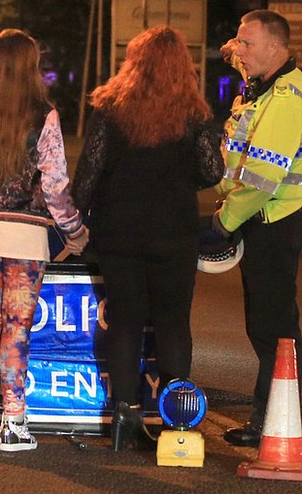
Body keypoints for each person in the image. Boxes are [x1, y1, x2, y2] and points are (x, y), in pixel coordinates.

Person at [72, 25, 224, 451]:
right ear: (184, 68)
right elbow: (212, 172)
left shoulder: (110, 109)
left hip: (119, 231)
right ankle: (176, 419)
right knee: (174, 322)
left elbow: (87, 179)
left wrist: (74, 220)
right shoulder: (195, 114)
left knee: (126, 322)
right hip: (174, 232)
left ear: (132, 63)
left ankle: (123, 415)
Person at [0, 28, 89, 452]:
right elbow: (55, 186)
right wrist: (75, 232)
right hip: (27, 237)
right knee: (17, 329)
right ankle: (14, 422)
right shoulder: (43, 116)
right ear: (30, 66)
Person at [214, 9, 302, 448]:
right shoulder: (261, 91)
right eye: (237, 41)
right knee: (265, 323)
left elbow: (261, 177)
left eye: (247, 42)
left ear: (276, 48)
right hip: (259, 220)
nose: (238, 49)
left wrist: (223, 222)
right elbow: (235, 159)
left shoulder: (286, 98)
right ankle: (273, 413)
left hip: (272, 222)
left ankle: (272, 418)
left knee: (273, 326)